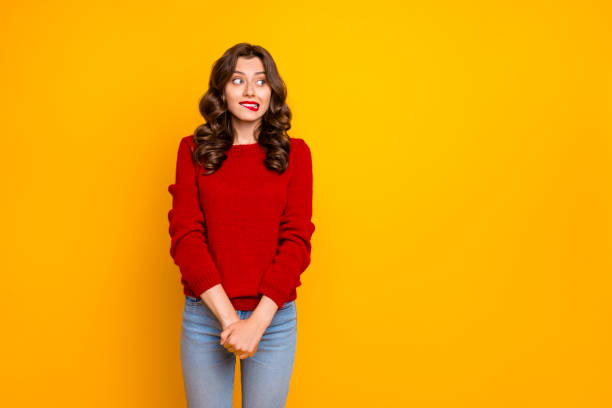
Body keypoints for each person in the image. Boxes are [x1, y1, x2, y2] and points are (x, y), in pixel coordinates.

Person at [167, 42, 315, 407]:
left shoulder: (296, 154)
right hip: (206, 316)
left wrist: (258, 323)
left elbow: (296, 240)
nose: (250, 91)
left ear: (272, 92)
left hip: (274, 318)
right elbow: (186, 237)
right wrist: (231, 319)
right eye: (238, 80)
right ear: (221, 91)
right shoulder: (192, 151)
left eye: (261, 81)